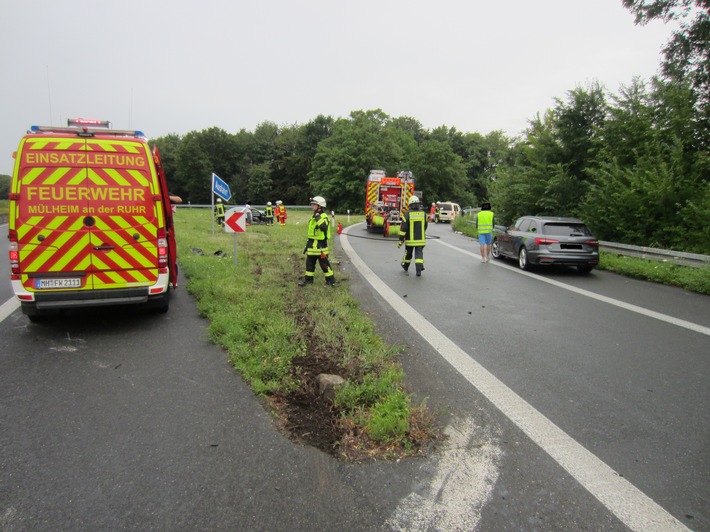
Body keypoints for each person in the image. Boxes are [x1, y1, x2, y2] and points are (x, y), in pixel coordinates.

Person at [298, 196, 335, 286]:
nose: (312, 206)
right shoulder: (313, 216)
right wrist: (307, 245)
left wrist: (318, 217)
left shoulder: (323, 216)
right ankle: (308, 281)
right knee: (309, 265)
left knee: (324, 265)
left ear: (320, 206)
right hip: (311, 245)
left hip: (320, 246)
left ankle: (330, 281)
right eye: (312, 205)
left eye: (314, 205)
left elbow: (323, 227)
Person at [399, 195, 428, 277]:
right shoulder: (423, 213)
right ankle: (419, 270)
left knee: (408, 253)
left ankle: (405, 266)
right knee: (419, 255)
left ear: (410, 204)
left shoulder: (407, 214)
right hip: (420, 239)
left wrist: (401, 239)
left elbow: (403, 228)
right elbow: (425, 226)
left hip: (410, 240)